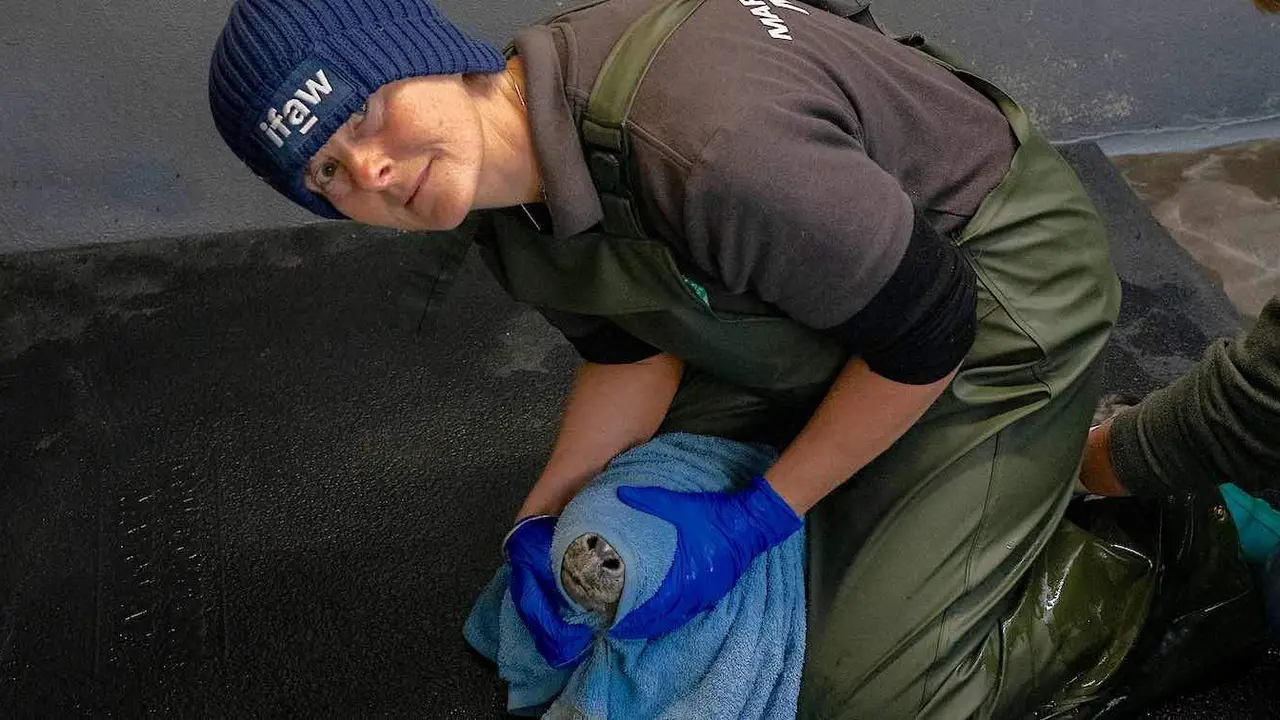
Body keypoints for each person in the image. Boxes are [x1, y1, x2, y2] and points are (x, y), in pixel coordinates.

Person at [206, 0, 1258, 716]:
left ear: (429, 54)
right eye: (331, 173)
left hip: (985, 295)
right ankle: (915, 510)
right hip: (824, 289)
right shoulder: (491, 184)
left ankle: (1176, 554)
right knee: (615, 536)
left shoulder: (702, 146)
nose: (374, 168)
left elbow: (928, 332)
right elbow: (630, 353)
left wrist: (761, 516)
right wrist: (534, 518)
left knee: (868, 694)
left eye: (368, 115)